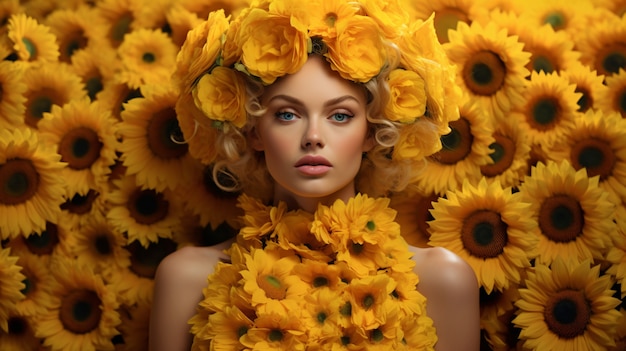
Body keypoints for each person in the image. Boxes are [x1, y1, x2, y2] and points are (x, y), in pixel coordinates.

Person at [149, 1, 480, 350]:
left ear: (373, 130)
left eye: (339, 116)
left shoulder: (442, 280)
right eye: (288, 115)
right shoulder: (187, 279)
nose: (313, 136)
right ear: (253, 131)